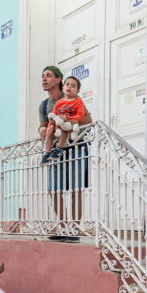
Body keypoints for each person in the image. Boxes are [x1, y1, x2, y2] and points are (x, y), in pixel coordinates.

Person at [38, 66, 92, 239]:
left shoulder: (71, 97)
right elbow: (43, 124)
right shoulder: (44, 105)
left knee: (75, 190)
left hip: (76, 147)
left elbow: (88, 120)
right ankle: (63, 228)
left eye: (48, 76)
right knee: (55, 190)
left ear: (58, 80)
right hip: (55, 150)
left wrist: (67, 119)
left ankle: (74, 230)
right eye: (42, 76)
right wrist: (41, 129)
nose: (44, 79)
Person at [41, 76, 86, 163]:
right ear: (63, 87)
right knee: (50, 129)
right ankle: (47, 152)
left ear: (77, 91)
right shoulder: (59, 102)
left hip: (69, 124)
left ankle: (59, 148)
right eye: (67, 85)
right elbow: (53, 115)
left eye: (73, 86)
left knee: (63, 127)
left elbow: (80, 116)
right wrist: (50, 126)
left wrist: (67, 118)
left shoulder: (78, 101)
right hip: (58, 122)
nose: (69, 87)